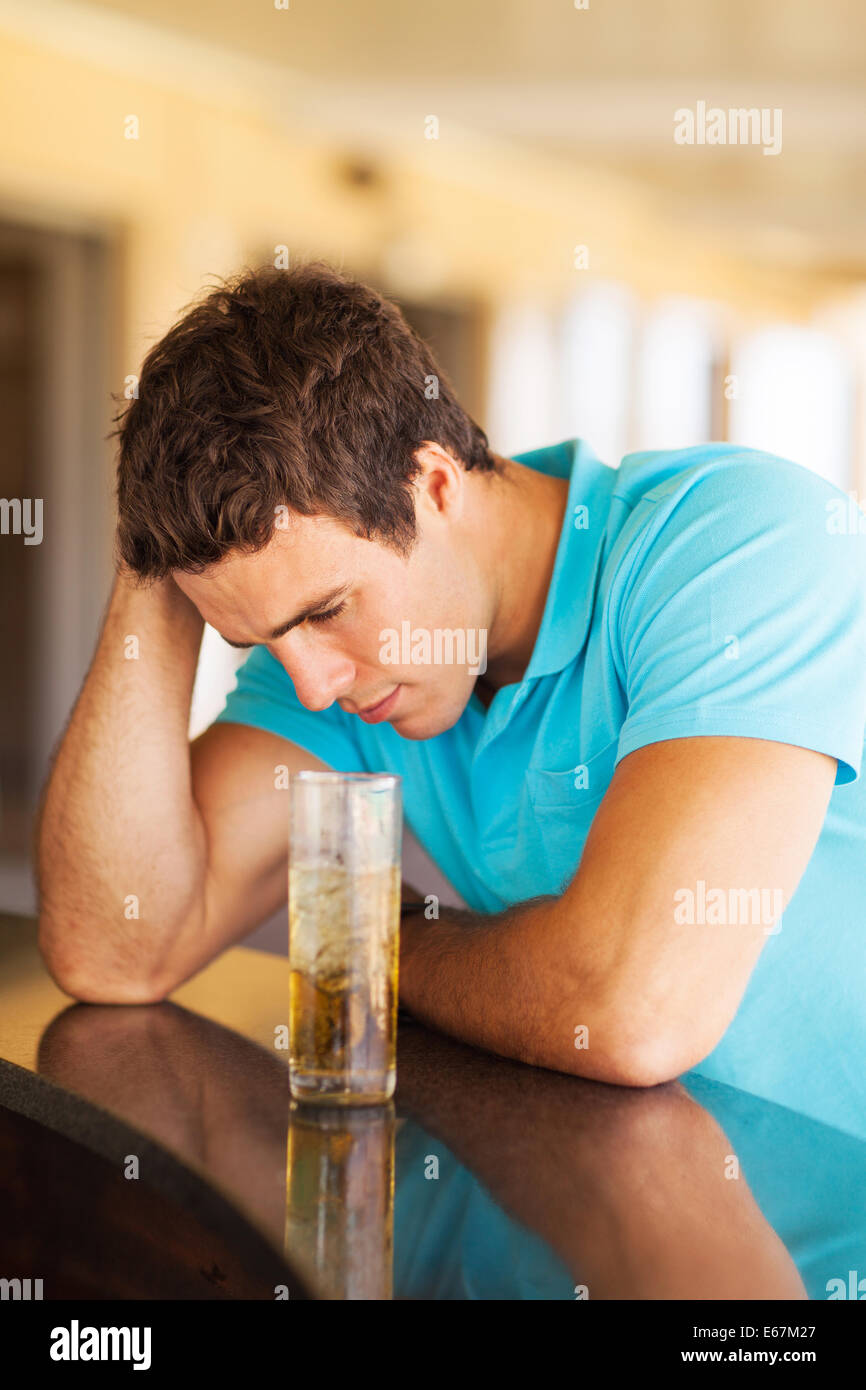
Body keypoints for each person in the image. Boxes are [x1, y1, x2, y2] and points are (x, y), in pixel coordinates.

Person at [36, 261, 866, 1140]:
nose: (312, 685)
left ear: (432, 482)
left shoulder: (736, 544)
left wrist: (365, 940)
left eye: (324, 612)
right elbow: (115, 947)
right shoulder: (344, 664)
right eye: (259, 637)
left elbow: (633, 1013)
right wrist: (155, 557)